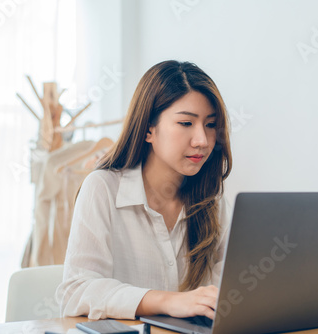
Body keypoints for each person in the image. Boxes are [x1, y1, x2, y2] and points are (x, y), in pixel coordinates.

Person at [55, 60, 232, 321]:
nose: (202, 141)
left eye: (210, 124)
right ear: (149, 128)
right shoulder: (102, 188)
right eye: (186, 123)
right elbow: (77, 291)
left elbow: (227, 289)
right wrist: (167, 301)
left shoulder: (213, 199)